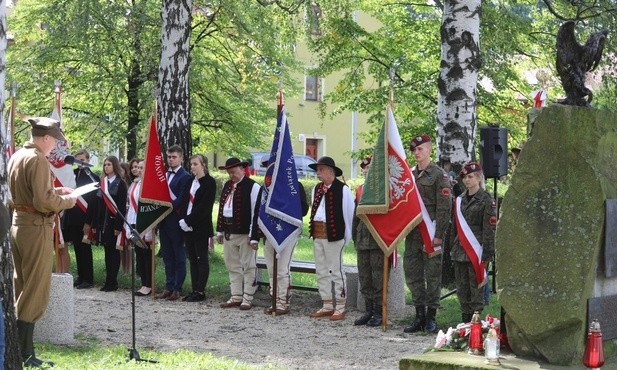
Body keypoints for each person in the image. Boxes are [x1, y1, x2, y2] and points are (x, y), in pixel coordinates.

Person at [8, 117, 76, 367]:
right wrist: (68, 201)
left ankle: (17, 349)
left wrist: (58, 192)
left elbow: (29, 192)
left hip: (20, 224)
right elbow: (42, 202)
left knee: (22, 285)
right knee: (35, 289)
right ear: (45, 138)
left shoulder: (18, 155)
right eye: (55, 142)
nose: (55, 147)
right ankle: (25, 352)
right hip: (36, 226)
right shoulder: (37, 159)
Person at [403, 134, 452, 334]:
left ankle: (431, 317)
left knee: (432, 276)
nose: (416, 153)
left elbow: (444, 207)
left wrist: (439, 234)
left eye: (420, 149)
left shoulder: (439, 175)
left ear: (429, 150)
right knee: (413, 274)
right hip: (413, 233)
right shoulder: (409, 175)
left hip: (431, 232)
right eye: (414, 150)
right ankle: (419, 316)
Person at [250, 156, 309, 315]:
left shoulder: (295, 186)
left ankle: (283, 301)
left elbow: (303, 210)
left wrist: (285, 204)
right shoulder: (265, 188)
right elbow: (258, 211)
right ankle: (274, 299)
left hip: (287, 233)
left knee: (282, 269)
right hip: (268, 233)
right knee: (271, 269)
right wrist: (254, 236)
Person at [307, 156, 354, 321]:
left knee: (336, 270)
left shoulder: (343, 190)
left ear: (330, 171)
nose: (318, 173)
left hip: (334, 235)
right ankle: (327, 304)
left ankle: (340, 305)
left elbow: (349, 214)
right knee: (321, 270)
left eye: (320, 170)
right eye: (317, 170)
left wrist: (345, 237)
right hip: (318, 234)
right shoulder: (316, 189)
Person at [450, 162, 496, 323]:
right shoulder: (460, 199)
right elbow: (455, 228)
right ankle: (464, 324)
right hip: (459, 251)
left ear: (478, 178)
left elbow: (489, 230)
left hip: (477, 252)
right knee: (463, 291)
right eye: (465, 177)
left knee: (476, 292)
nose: (467, 180)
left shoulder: (486, 199)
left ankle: (475, 326)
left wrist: (486, 256)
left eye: (470, 177)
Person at [216, 157, 260, 310]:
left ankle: (248, 296)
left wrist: (253, 235)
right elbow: (222, 209)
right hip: (229, 232)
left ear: (242, 169)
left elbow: (256, 212)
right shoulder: (227, 186)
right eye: (229, 173)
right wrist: (219, 230)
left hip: (244, 233)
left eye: (233, 172)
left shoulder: (252, 187)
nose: (231, 175)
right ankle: (236, 295)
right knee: (232, 265)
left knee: (248, 265)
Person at [85, 156, 128, 292]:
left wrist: (118, 226)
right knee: (107, 252)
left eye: (109, 164)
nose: (106, 167)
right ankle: (108, 281)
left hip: (113, 222)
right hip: (102, 222)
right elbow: (95, 203)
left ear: (114, 166)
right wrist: (91, 223)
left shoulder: (120, 183)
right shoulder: (102, 182)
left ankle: (112, 282)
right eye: (105, 165)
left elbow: (121, 206)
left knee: (113, 253)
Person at [352, 155, 385, 327]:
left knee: (378, 278)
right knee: (365, 278)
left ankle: (379, 313)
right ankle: (369, 310)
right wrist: (354, 238)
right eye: (364, 169)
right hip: (362, 240)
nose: (366, 172)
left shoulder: (382, 191)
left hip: (378, 240)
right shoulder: (360, 190)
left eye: (369, 169)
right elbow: (355, 217)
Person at [178, 154, 216, 302]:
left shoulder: (209, 183)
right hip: (187, 225)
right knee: (192, 259)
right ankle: (194, 289)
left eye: (195, 164)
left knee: (201, 259)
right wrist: (183, 219)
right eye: (191, 164)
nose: (192, 167)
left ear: (203, 165)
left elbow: (203, 207)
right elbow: (184, 201)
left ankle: (200, 291)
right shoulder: (189, 181)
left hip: (200, 226)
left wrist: (189, 220)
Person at [156, 145, 191, 301]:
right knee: (167, 256)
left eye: (174, 157)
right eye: (169, 157)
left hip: (176, 221)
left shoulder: (185, 176)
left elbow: (182, 199)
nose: (171, 159)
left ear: (181, 158)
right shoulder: (163, 175)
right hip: (163, 221)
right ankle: (168, 286)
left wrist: (166, 207)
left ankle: (178, 288)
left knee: (179, 256)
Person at [62, 148, 100, 289]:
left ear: (88, 160)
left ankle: (88, 279)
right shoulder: (73, 175)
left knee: (85, 249)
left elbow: (93, 203)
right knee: (78, 248)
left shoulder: (93, 177)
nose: (80, 163)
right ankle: (81, 276)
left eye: (82, 160)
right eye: (77, 160)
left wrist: (89, 222)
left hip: (86, 218)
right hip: (73, 217)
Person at [125, 160, 155, 297]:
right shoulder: (135, 183)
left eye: (142, 167)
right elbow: (131, 205)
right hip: (134, 221)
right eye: (138, 167)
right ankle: (143, 283)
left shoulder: (149, 185)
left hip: (146, 223)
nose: (138, 170)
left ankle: (149, 284)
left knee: (146, 254)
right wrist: (128, 224)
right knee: (139, 253)